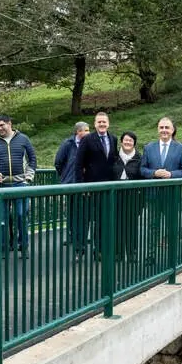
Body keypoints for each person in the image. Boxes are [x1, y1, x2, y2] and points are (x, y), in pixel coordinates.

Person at [0, 114, 36, 256]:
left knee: (21, 214)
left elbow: (32, 159)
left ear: (9, 124)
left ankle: (23, 245)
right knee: (2, 218)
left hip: (20, 184)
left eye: (1, 125)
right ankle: (3, 247)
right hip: (2, 186)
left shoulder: (23, 139)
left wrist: (28, 177)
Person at [139, 116, 182, 265]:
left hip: (171, 195)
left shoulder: (181, 148)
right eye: (161, 127)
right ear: (158, 129)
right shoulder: (149, 147)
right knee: (152, 227)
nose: (164, 130)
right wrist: (154, 173)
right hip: (153, 195)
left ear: (173, 130)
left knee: (172, 226)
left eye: (167, 127)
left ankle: (173, 258)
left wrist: (171, 174)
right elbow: (142, 169)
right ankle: (150, 257)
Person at [74, 111, 117, 259]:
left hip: (107, 188)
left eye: (104, 122)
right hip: (89, 188)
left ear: (108, 123)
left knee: (101, 220)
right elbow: (78, 163)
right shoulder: (87, 139)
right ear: (95, 124)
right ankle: (79, 250)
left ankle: (98, 249)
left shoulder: (113, 139)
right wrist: (81, 186)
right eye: (99, 122)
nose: (102, 124)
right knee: (84, 220)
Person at [54, 121, 88, 249]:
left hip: (84, 183)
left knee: (82, 212)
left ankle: (79, 240)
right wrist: (65, 176)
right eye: (85, 130)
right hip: (71, 183)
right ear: (78, 132)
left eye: (88, 130)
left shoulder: (88, 144)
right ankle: (74, 237)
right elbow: (58, 162)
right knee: (73, 210)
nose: (87, 133)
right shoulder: (68, 144)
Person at [112, 130, 143, 261]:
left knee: (131, 224)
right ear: (121, 141)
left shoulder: (139, 158)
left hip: (133, 194)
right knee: (117, 223)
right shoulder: (113, 156)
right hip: (116, 194)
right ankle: (118, 253)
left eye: (130, 140)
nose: (127, 142)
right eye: (125, 140)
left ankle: (132, 253)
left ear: (134, 143)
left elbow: (142, 177)